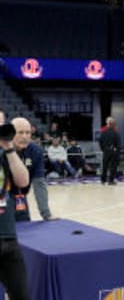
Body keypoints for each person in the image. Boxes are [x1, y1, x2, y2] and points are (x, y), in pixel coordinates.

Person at [0, 126, 31, 300]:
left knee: (21, 295)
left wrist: (9, 148)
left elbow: (23, 181)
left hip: (8, 237)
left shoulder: (6, 154)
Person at [10, 118, 55, 221]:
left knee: (25, 231)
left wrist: (46, 214)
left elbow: (39, 184)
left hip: (20, 198)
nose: (24, 136)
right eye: (20, 132)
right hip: (3, 198)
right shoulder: (2, 149)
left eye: (27, 132)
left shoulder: (36, 151)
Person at [99, 117, 121, 185]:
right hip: (114, 151)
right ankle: (111, 181)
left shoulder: (103, 132)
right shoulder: (115, 132)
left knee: (105, 166)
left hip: (106, 150)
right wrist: (117, 150)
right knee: (113, 166)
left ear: (108, 124)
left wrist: (103, 149)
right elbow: (118, 143)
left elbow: (100, 142)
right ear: (113, 124)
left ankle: (103, 180)